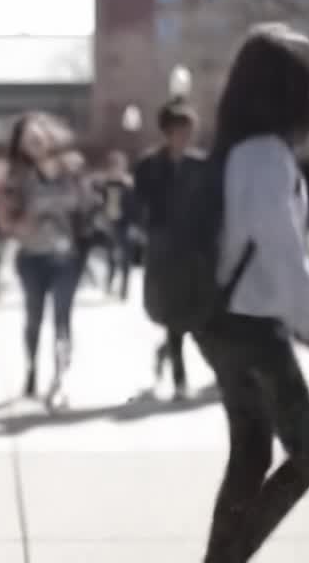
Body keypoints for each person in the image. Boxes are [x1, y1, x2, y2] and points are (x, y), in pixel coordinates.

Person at [193, 23, 309, 562]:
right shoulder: (266, 157)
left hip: (220, 324)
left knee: (250, 451)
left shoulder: (238, 151)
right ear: (287, 90)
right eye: (306, 81)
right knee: (307, 454)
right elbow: (286, 264)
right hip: (252, 331)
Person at [0, 113, 88, 410]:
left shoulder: (71, 169)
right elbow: (6, 221)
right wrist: (20, 221)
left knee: (62, 319)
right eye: (27, 140)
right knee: (34, 318)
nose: (34, 144)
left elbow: (85, 203)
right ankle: (32, 369)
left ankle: (60, 379)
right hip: (32, 258)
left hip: (66, 258)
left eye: (38, 137)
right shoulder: (18, 178)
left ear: (50, 137)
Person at [134, 97, 205, 401]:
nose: (186, 136)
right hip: (164, 250)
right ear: (168, 131)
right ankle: (180, 379)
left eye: (190, 129)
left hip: (195, 251)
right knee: (174, 314)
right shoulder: (149, 165)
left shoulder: (201, 165)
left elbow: (212, 208)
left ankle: (165, 351)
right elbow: (138, 204)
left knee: (196, 315)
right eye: (180, 129)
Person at [95, 151, 135, 300]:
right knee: (110, 256)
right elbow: (98, 203)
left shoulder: (129, 185)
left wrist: (134, 226)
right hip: (109, 223)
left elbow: (135, 207)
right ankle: (109, 285)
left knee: (125, 258)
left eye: (119, 166)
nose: (116, 169)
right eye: (114, 166)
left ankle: (124, 289)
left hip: (125, 224)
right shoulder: (104, 185)